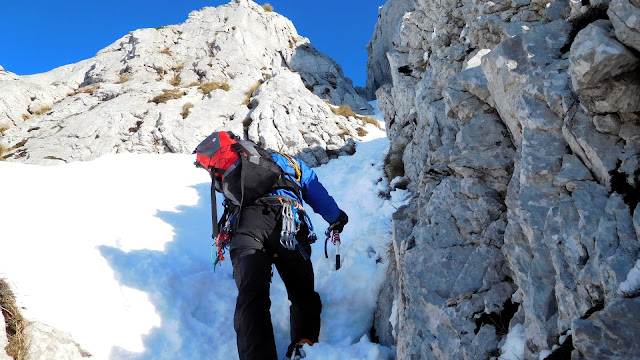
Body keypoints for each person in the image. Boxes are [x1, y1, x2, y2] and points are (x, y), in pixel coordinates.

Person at [199, 132, 348, 360]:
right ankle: (304, 344)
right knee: (302, 294)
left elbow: (230, 203)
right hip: (288, 224)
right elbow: (315, 190)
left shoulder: (237, 168)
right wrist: (336, 218)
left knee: (252, 298)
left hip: (245, 228)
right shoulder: (289, 162)